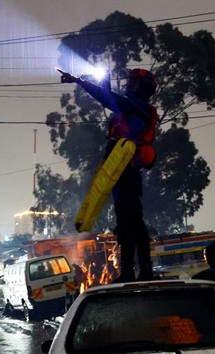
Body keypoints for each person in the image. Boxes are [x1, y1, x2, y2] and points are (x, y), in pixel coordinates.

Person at [60, 68, 158, 282]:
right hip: (117, 173)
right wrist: (83, 81)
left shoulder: (142, 109)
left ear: (143, 87)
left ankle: (138, 270)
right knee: (126, 221)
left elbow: (111, 100)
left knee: (132, 222)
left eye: (133, 81)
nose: (128, 83)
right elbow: (113, 102)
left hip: (128, 171)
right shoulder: (128, 110)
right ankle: (131, 270)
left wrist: (83, 82)